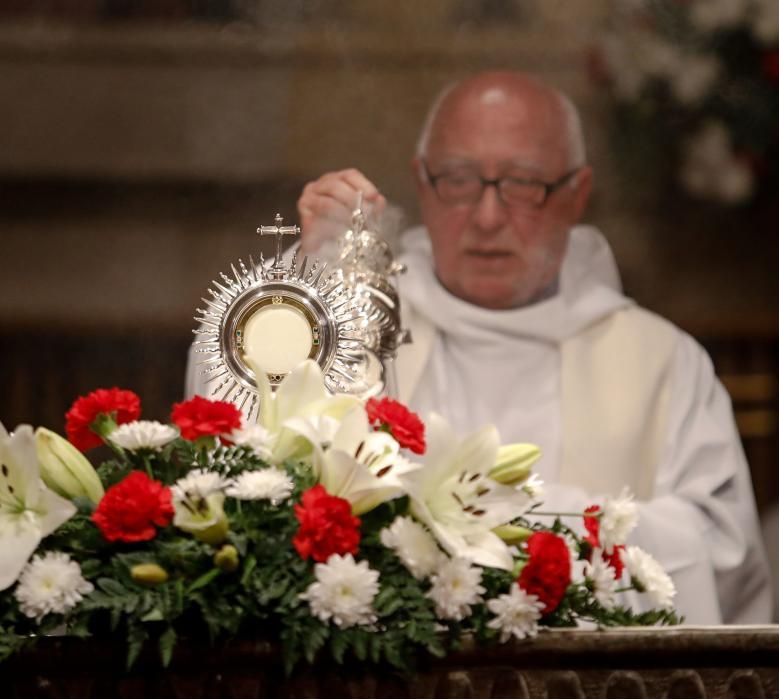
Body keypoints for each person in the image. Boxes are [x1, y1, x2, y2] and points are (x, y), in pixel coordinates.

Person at [291, 71, 772, 625]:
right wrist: (307, 289)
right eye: (459, 179)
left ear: (576, 195)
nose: (488, 217)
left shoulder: (663, 362)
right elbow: (248, 464)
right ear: (421, 183)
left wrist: (510, 525)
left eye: (522, 183)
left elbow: (721, 558)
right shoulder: (356, 321)